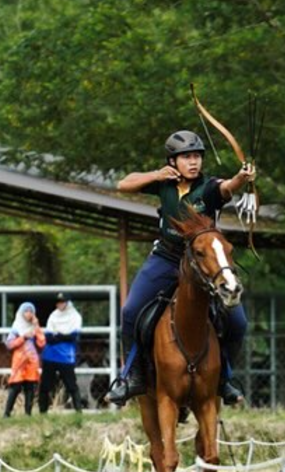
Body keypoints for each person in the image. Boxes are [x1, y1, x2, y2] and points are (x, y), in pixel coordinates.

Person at [105, 129, 256, 406]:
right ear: (173, 161)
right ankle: (133, 377)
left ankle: (225, 379)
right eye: (186, 157)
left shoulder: (209, 187)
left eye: (197, 156)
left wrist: (241, 178)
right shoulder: (165, 182)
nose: (193, 162)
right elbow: (123, 184)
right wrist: (156, 175)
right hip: (166, 258)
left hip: (203, 263)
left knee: (238, 322)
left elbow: (227, 188)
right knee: (130, 312)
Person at [39, 293, 84, 413]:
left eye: (62, 302)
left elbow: (73, 336)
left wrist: (59, 336)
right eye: (58, 302)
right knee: (45, 385)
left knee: (71, 385)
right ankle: (42, 412)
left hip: (65, 356)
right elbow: (49, 337)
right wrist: (63, 336)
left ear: (67, 303)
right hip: (50, 355)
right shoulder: (53, 316)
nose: (60, 304)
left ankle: (78, 411)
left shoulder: (75, 317)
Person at [3, 302, 45, 417]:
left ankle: (28, 414)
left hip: (32, 361)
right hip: (19, 361)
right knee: (15, 387)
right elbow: (9, 344)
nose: (29, 314)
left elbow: (42, 343)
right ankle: (7, 413)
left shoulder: (34, 328)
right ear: (21, 313)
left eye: (31, 311)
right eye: (26, 311)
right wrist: (23, 337)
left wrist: (37, 327)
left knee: (30, 387)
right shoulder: (16, 328)